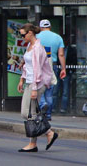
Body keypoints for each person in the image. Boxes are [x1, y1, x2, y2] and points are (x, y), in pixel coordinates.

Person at [17, 23, 59, 152]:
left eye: (23, 34)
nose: (22, 37)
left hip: (36, 83)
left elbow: (37, 69)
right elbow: (27, 66)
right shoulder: (30, 46)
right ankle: (44, 135)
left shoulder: (37, 48)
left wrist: (34, 88)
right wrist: (21, 79)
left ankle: (45, 135)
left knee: (29, 113)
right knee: (28, 113)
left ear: (30, 33)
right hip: (30, 82)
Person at [36, 19, 67, 118]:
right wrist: (63, 68)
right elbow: (61, 54)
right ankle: (48, 114)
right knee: (50, 90)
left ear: (41, 27)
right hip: (51, 65)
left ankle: (42, 103)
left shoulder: (36, 37)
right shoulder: (58, 37)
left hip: (39, 65)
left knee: (38, 87)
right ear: (50, 27)